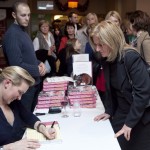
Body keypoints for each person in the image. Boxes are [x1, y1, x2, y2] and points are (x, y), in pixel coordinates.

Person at [91, 20, 150, 150]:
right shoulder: (107, 58)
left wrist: (129, 124)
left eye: (101, 45)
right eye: (96, 45)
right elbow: (111, 90)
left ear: (112, 41)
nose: (97, 49)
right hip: (121, 113)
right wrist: (109, 111)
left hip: (139, 117)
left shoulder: (130, 57)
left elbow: (143, 93)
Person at [2, 1, 46, 112]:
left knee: (32, 117)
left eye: (28, 15)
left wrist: (39, 62)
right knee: (24, 122)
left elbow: (28, 56)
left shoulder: (23, 32)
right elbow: (16, 65)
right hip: (23, 88)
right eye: (23, 15)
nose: (27, 18)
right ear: (14, 15)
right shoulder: (12, 34)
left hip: (33, 83)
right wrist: (37, 69)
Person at [0, 66, 56, 149]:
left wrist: (42, 128)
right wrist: (7, 148)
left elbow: (29, 117)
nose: (19, 98)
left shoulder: (13, 103)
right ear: (7, 83)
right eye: (19, 92)